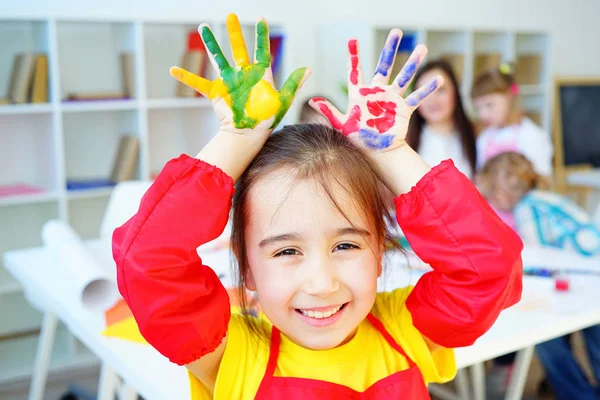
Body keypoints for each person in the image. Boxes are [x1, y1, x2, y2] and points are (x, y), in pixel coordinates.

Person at [113, 14, 523, 399]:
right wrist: (236, 141)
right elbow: (146, 262)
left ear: (380, 250)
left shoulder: (403, 329)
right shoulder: (232, 356)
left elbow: (489, 267)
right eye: (287, 251)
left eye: (346, 245)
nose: (322, 283)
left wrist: (392, 154)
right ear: (247, 267)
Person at [478, 151, 600, 400]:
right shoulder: (545, 198)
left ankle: (579, 395)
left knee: (544, 337)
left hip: (585, 281)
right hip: (591, 279)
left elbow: (538, 257)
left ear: (500, 196)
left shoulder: (525, 209)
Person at [471, 65, 553, 178]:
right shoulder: (484, 138)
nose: (482, 114)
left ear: (509, 97)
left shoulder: (532, 136)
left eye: (489, 105)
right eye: (478, 108)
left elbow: (542, 181)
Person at [406, 60, 477, 179]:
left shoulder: (476, 134)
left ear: (455, 92)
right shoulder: (405, 141)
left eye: (441, 90)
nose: (433, 100)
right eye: (424, 93)